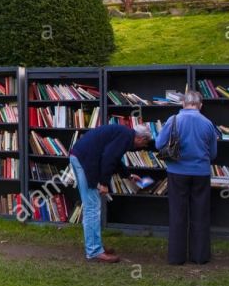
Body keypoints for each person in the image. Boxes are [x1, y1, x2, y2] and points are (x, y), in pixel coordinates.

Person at [69, 124, 153, 263]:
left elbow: (114, 158)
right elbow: (108, 158)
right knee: (92, 207)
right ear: (140, 138)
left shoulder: (125, 134)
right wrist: (104, 183)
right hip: (85, 161)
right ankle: (94, 251)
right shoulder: (126, 137)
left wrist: (128, 175)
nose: (143, 146)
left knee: (92, 205)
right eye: (145, 143)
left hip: (81, 157)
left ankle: (96, 246)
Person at [155, 90, 217, 265]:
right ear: (200, 105)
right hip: (201, 173)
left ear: (183, 103)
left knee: (177, 214)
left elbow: (159, 144)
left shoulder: (173, 120)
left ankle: (176, 257)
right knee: (201, 214)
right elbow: (213, 153)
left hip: (177, 172)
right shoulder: (208, 123)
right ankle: (200, 256)